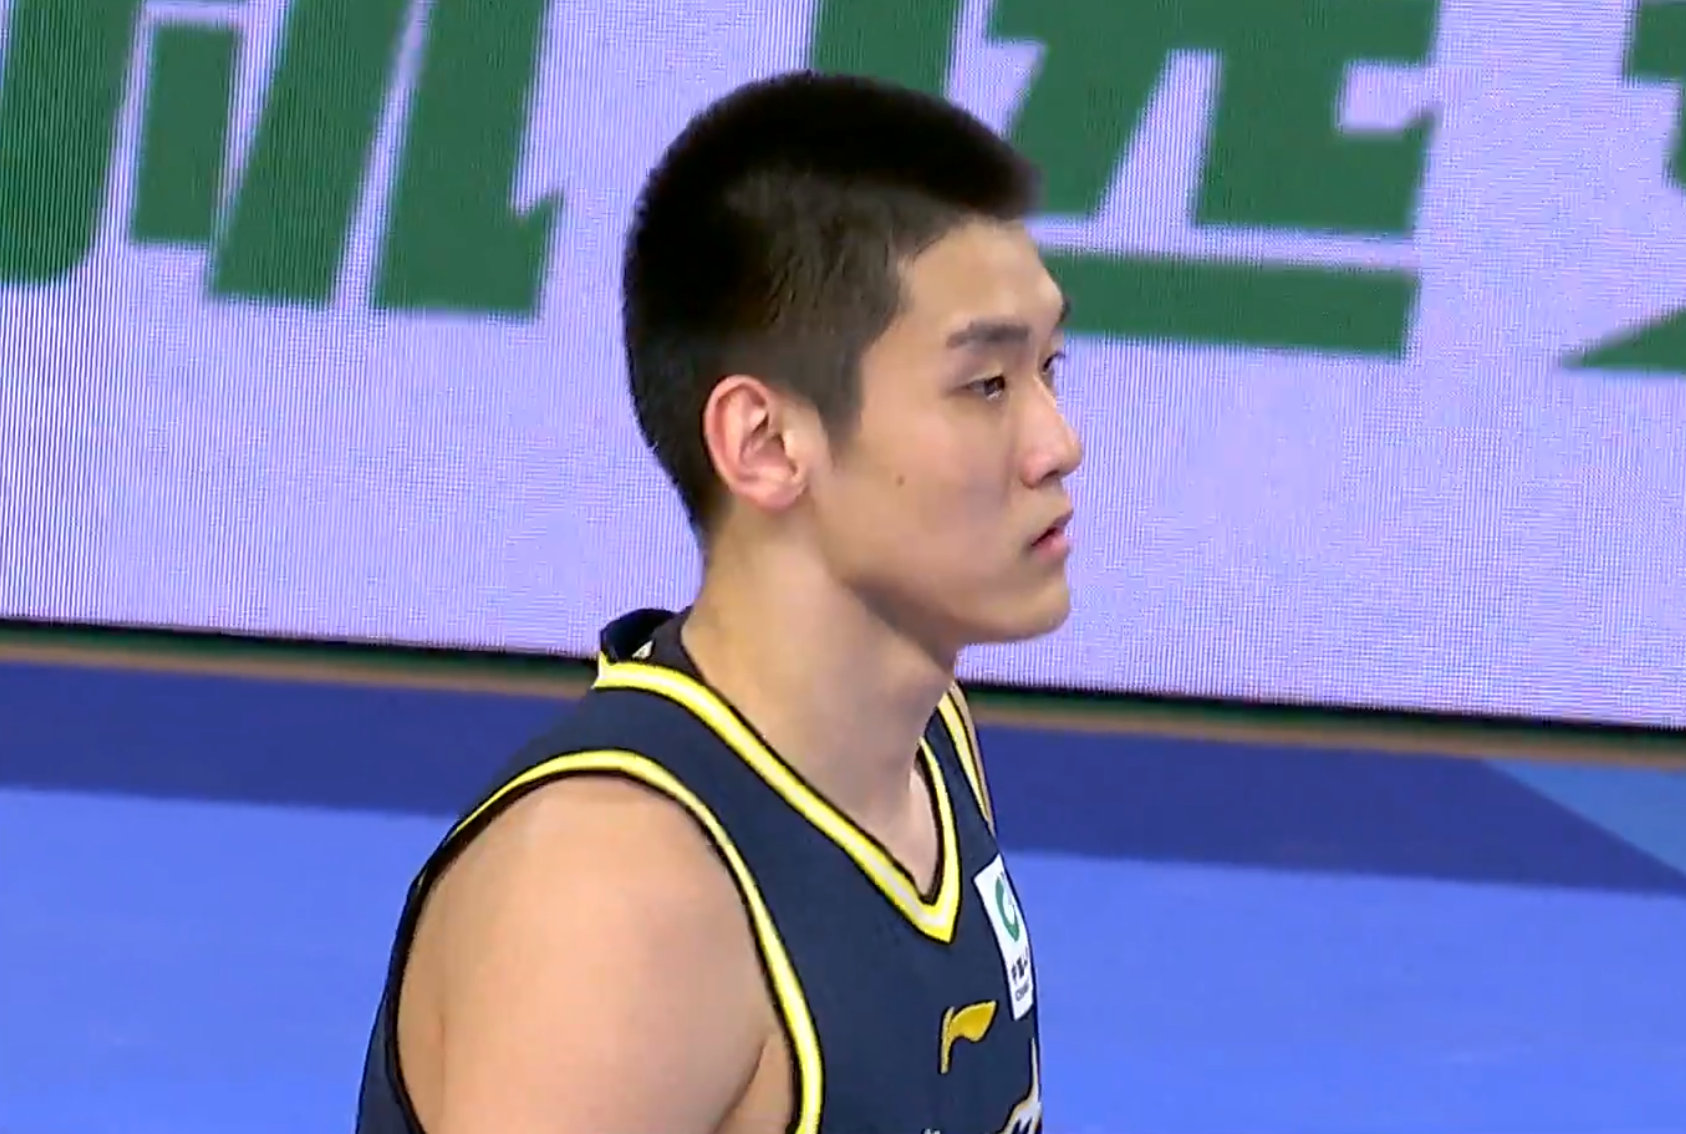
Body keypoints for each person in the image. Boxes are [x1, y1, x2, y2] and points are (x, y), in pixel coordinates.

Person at [354, 68, 1081, 1134]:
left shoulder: (928, 745)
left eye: (1052, 367)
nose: (1058, 442)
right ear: (766, 443)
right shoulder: (619, 902)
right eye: (987, 385)